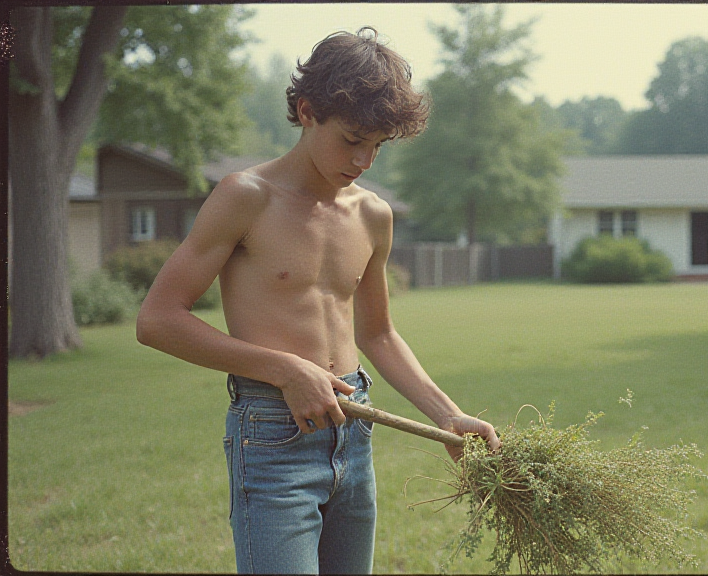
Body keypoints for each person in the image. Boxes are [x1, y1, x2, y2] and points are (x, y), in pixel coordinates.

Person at [136, 27, 500, 575]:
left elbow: (377, 333)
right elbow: (158, 319)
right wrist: (284, 369)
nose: (365, 160)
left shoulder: (374, 215)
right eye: (353, 139)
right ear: (307, 111)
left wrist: (447, 414)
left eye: (378, 144)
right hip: (273, 432)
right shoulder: (245, 197)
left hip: (355, 430)